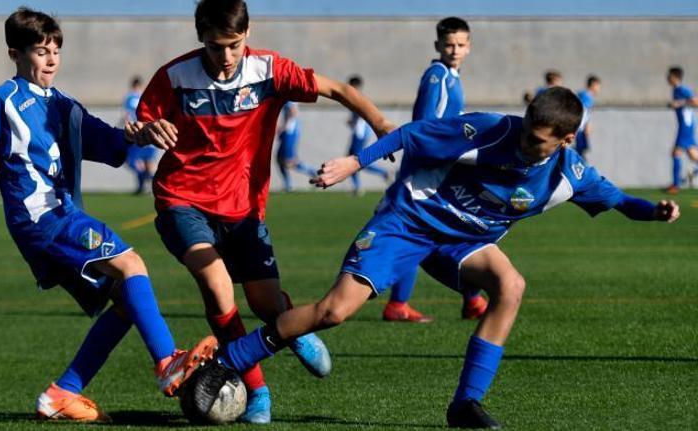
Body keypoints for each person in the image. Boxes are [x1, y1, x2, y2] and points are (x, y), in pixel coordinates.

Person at [214, 87, 680, 429]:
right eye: (527, 131)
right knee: (333, 312)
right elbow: (413, 134)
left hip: (463, 244)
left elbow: (621, 201)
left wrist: (655, 212)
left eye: (538, 141)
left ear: (566, 138)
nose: (525, 144)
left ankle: (465, 405)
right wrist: (355, 163)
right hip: (409, 222)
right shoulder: (492, 129)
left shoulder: (572, 174)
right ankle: (230, 359)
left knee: (511, 285)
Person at [133, 0, 396, 424]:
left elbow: (335, 88)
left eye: (234, 45)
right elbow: (142, 124)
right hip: (182, 199)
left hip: (243, 209)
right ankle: (257, 392)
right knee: (216, 285)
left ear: (247, 33)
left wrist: (382, 123)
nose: (227, 56)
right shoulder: (175, 77)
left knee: (266, 304)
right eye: (216, 47)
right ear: (200, 37)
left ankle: (290, 326)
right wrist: (145, 131)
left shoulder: (269, 70)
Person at [0, 7, 216, 422]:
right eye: (41, 51)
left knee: (127, 301)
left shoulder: (66, 108)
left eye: (56, 50)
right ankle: (168, 363)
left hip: (61, 218)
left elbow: (112, 148)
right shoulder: (1, 102)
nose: (52, 59)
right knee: (131, 264)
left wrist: (143, 133)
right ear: (14, 54)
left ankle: (61, 394)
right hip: (44, 220)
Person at [383, 17, 488, 324]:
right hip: (426, 175)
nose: (454, 50)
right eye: (449, 44)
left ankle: (470, 300)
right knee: (430, 234)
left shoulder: (452, 77)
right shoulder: (438, 75)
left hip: (441, 174)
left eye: (460, 44)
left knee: (445, 233)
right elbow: (425, 128)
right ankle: (400, 304)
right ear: (437, 46)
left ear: (469, 47)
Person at [346, 75, 391, 196]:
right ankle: (359, 186)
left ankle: (360, 186)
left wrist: (355, 122)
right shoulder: (356, 97)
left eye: (350, 85)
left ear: (355, 86)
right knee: (355, 159)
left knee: (355, 160)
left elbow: (364, 114)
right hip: (360, 132)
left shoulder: (358, 97)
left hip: (360, 133)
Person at [120, 75, 158, 194]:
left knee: (133, 160)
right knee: (148, 162)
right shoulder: (146, 96)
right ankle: (151, 186)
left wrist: (125, 127)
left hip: (136, 132)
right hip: (148, 131)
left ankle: (143, 184)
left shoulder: (129, 97)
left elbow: (126, 115)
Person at [665, 66, 698, 193]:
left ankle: (676, 185)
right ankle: (677, 183)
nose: (667, 78)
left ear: (675, 77)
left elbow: (695, 101)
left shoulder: (682, 89)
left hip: (686, 125)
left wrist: (678, 103)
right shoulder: (675, 90)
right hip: (684, 125)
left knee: (676, 153)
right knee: (693, 155)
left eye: (669, 76)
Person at [276, 101, 317, 192]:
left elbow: (293, 111)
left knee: (289, 162)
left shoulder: (290, 97)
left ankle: (314, 172)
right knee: (279, 159)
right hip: (288, 131)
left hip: (290, 132)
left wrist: (284, 126)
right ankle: (288, 184)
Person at [575, 75, 601, 158]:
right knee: (580, 151)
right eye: (598, 86)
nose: (599, 89)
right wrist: (586, 126)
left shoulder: (583, 95)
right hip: (580, 128)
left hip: (578, 127)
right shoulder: (586, 97)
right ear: (593, 84)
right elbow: (583, 111)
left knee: (581, 150)